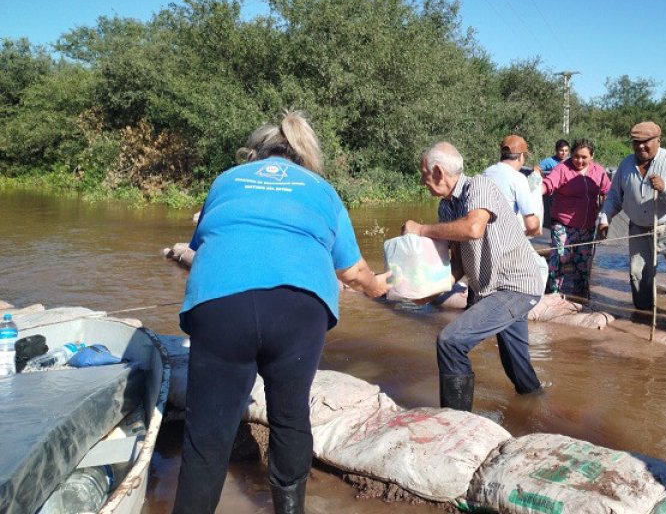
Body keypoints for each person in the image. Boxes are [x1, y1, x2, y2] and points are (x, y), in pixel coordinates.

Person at [172, 111, 391, 514]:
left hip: (220, 305)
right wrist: (378, 286)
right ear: (305, 157)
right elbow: (354, 271)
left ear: (255, 153)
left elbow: (204, 243)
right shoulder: (322, 190)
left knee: (207, 439)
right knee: (290, 419)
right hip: (298, 308)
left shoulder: (226, 180)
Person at [402, 142, 545, 411]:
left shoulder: (478, 187)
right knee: (517, 366)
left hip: (515, 286)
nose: (423, 182)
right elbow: (458, 262)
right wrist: (430, 293)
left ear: (438, 172)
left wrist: (420, 230)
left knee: (450, 342)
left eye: (424, 175)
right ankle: (537, 408)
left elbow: (473, 229)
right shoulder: (446, 208)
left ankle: (455, 423)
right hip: (488, 289)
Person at [597, 121, 666, 315]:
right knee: (638, 273)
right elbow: (615, 196)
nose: (640, 146)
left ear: (658, 140)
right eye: (636, 142)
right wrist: (604, 218)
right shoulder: (626, 164)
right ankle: (642, 315)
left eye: (646, 141)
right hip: (639, 228)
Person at [540, 138, 611, 297]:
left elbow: (609, 192)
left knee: (583, 264)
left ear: (592, 156)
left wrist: (604, 215)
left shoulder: (598, 171)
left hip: (587, 226)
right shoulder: (562, 169)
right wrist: (536, 191)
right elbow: (549, 183)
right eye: (576, 156)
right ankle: (553, 295)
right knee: (559, 258)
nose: (579, 160)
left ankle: (580, 298)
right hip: (563, 224)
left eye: (584, 157)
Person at [482, 134, 541, 237]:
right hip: (505, 240)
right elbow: (531, 225)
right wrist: (531, 231)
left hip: (483, 237)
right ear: (521, 156)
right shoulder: (518, 178)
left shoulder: (486, 172)